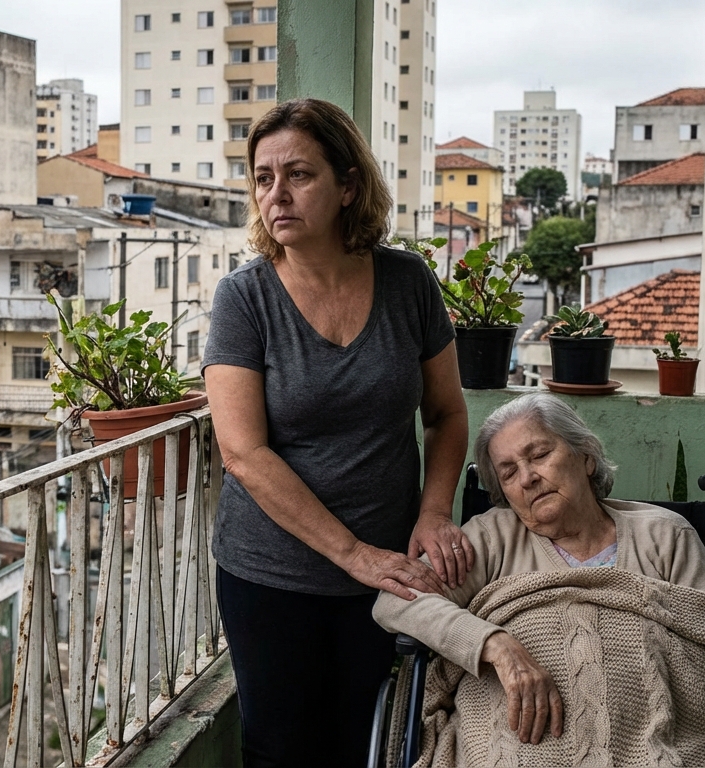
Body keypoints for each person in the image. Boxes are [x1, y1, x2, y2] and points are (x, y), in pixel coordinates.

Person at [202, 97, 472, 767]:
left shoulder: (408, 282)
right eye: (263, 179)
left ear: (349, 185)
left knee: (371, 743)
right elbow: (242, 452)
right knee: (281, 749)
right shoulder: (245, 298)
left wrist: (435, 513)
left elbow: (446, 413)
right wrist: (352, 553)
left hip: (388, 571)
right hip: (272, 575)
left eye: (299, 174)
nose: (277, 194)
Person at [373, 392, 705, 750]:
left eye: (540, 455)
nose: (528, 478)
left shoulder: (665, 535)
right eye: (509, 472)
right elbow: (396, 600)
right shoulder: (491, 537)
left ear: (586, 457)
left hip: (651, 740)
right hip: (517, 742)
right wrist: (494, 643)